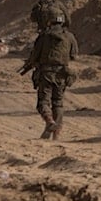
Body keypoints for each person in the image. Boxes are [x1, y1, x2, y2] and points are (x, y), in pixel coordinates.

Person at [20, 9, 78, 140]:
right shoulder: (69, 37)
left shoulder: (44, 36)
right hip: (62, 73)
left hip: (46, 73)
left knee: (43, 102)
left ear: (49, 21)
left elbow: (35, 55)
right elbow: (73, 55)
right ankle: (56, 135)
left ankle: (50, 122)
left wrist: (31, 64)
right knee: (58, 103)